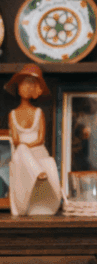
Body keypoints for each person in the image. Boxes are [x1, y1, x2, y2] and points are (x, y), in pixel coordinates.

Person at [5, 64, 61, 217]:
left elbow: (40, 138)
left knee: (23, 149)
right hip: (22, 155)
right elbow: (16, 140)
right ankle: (38, 173)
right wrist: (24, 147)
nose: (26, 88)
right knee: (21, 150)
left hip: (37, 152)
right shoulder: (13, 114)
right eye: (23, 84)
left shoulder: (38, 112)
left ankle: (39, 174)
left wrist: (27, 147)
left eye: (30, 84)